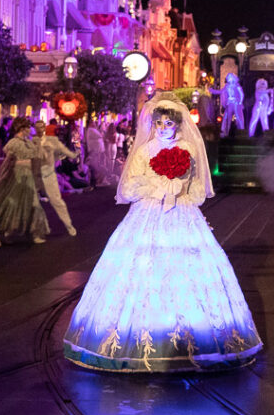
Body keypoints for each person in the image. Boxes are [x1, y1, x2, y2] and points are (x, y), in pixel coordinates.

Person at [63, 94, 262, 372]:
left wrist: (178, 189)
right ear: (153, 125)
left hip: (181, 213)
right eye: (160, 123)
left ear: (178, 125)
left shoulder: (188, 149)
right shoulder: (145, 151)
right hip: (147, 212)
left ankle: (195, 341)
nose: (164, 128)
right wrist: (155, 188)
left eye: (169, 123)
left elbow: (196, 190)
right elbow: (130, 186)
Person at [0, 117, 50, 243]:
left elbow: (37, 157)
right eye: (28, 128)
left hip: (28, 175)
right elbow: (8, 161)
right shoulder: (14, 143)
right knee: (14, 203)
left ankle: (35, 233)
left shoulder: (28, 143)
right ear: (22, 129)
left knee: (33, 203)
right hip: (17, 175)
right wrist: (2, 175)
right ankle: (8, 231)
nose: (30, 130)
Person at [34, 119, 78, 236]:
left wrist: (74, 154)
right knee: (31, 204)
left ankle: (68, 225)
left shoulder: (52, 141)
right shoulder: (32, 141)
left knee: (57, 201)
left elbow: (64, 151)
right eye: (37, 127)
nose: (39, 130)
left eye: (41, 127)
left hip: (48, 175)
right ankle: (36, 232)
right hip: (35, 175)